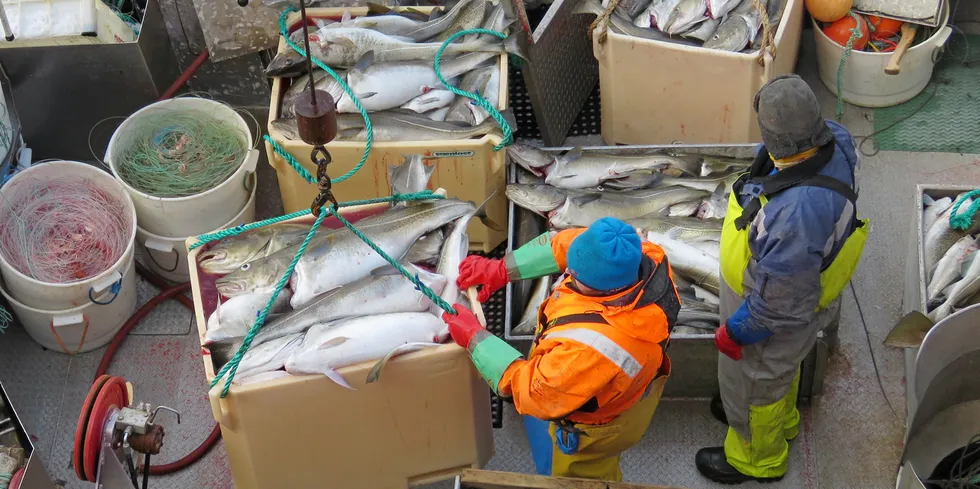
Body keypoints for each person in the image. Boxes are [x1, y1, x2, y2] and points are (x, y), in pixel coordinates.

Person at [695, 74, 868, 483]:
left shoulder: (796, 215)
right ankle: (778, 419)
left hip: (773, 308)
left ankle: (756, 459)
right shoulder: (836, 138)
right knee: (773, 377)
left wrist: (736, 332)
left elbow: (779, 305)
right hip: (794, 287)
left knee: (756, 383)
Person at [440, 217, 681, 481]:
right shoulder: (643, 256)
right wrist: (500, 269)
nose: (568, 271)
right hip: (612, 389)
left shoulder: (591, 349)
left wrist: (474, 338)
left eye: (575, 274)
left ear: (600, 286)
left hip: (595, 427)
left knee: (577, 479)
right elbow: (562, 245)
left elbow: (532, 391)